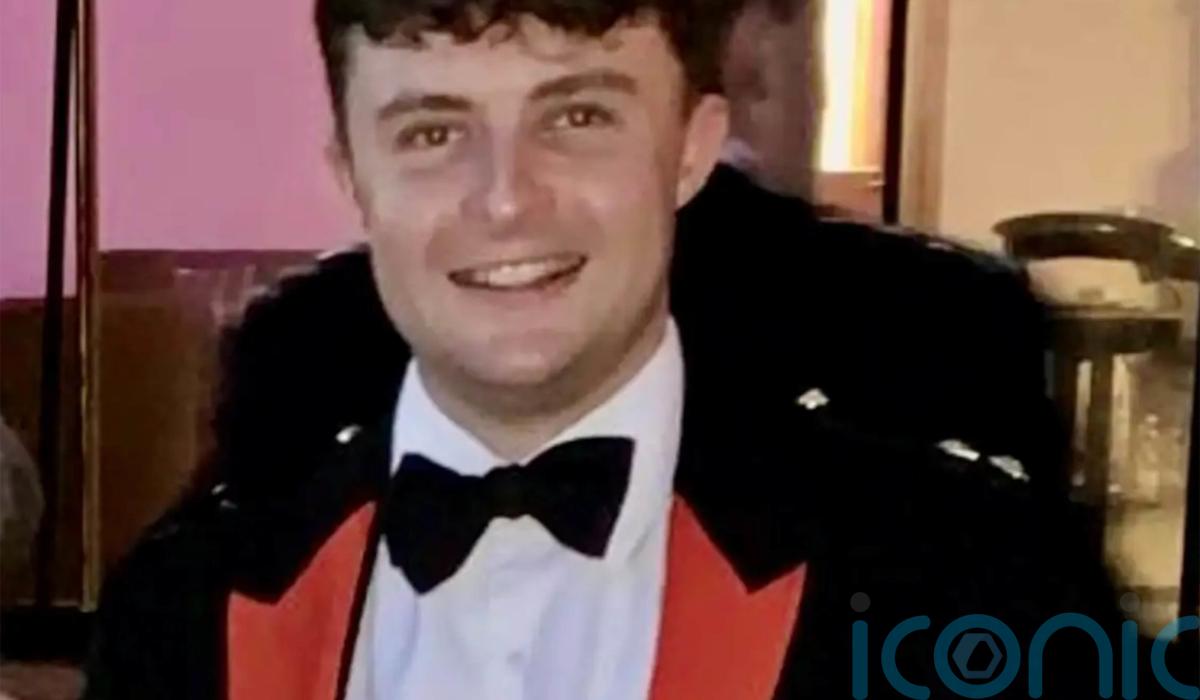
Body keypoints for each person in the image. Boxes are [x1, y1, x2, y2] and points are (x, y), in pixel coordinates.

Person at [84, 1, 1196, 698]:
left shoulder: (972, 581)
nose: (506, 200)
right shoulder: (181, 608)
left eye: (576, 117)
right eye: (432, 131)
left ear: (693, 147)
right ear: (350, 175)